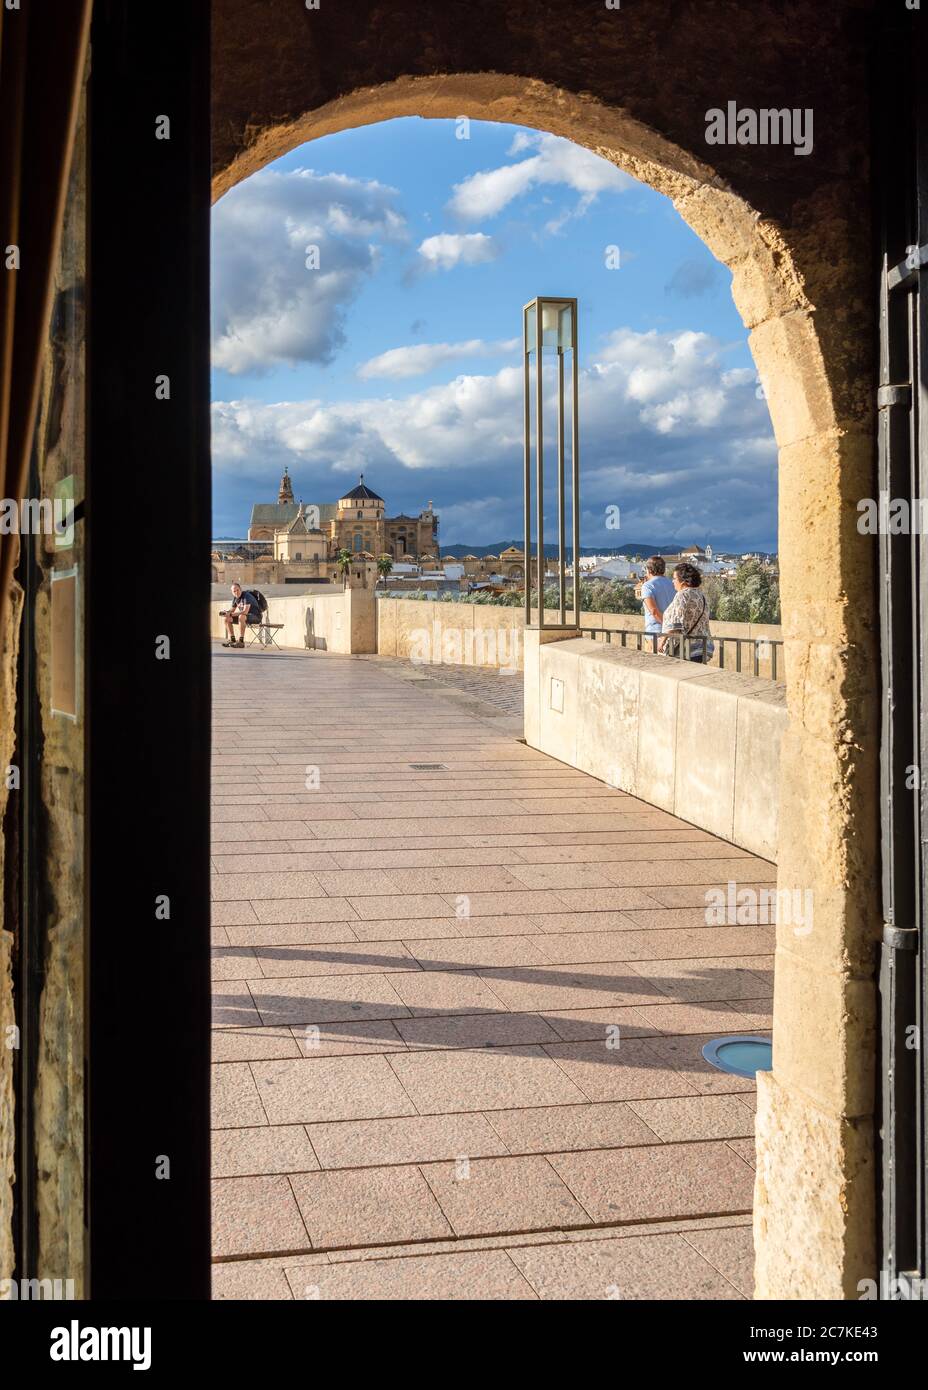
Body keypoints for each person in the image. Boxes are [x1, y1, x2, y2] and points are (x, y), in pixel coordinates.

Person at [659, 562, 715, 662]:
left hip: (685, 650)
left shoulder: (682, 595)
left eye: (674, 578)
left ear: (683, 581)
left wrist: (662, 641)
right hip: (702, 648)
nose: (672, 581)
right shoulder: (701, 595)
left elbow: (675, 623)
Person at [637, 555, 676, 652]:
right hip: (672, 633)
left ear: (649, 570)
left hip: (655, 633)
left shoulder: (648, 586)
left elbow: (654, 611)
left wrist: (666, 625)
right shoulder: (673, 584)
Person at [220, 582, 261, 648]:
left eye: (237, 590)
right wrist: (227, 612)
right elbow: (232, 610)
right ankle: (232, 640)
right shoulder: (235, 598)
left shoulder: (246, 596)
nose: (236, 592)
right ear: (232, 592)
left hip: (255, 616)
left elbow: (245, 611)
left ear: (240, 589)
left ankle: (241, 642)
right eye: (234, 591)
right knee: (226, 619)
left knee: (241, 616)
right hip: (245, 617)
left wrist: (231, 614)